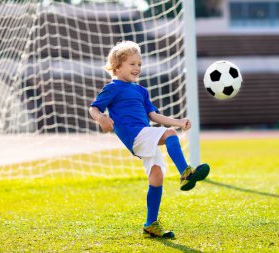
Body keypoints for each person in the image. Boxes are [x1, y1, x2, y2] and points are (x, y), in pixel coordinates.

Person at [89, 41, 210, 239]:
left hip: (144, 133)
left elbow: (154, 116)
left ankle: (150, 224)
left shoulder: (141, 91)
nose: (137, 68)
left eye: (139, 64)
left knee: (156, 176)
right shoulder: (113, 88)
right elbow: (93, 108)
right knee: (169, 134)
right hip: (134, 135)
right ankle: (186, 172)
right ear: (117, 66)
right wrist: (101, 118)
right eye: (132, 64)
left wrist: (178, 122)